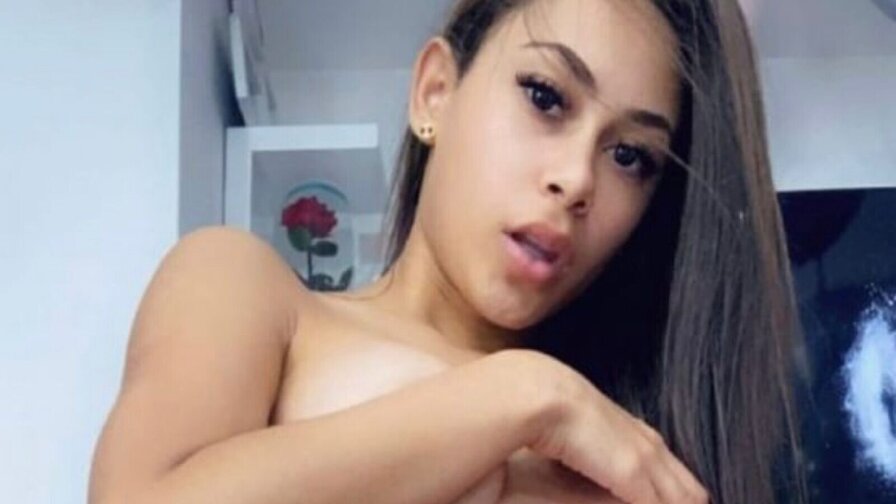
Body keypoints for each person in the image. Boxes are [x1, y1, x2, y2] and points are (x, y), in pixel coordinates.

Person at [88, 0, 809, 503]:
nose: (576, 180)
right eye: (545, 96)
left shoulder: (628, 445)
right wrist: (529, 396)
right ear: (435, 92)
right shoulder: (245, 287)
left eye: (630, 156)